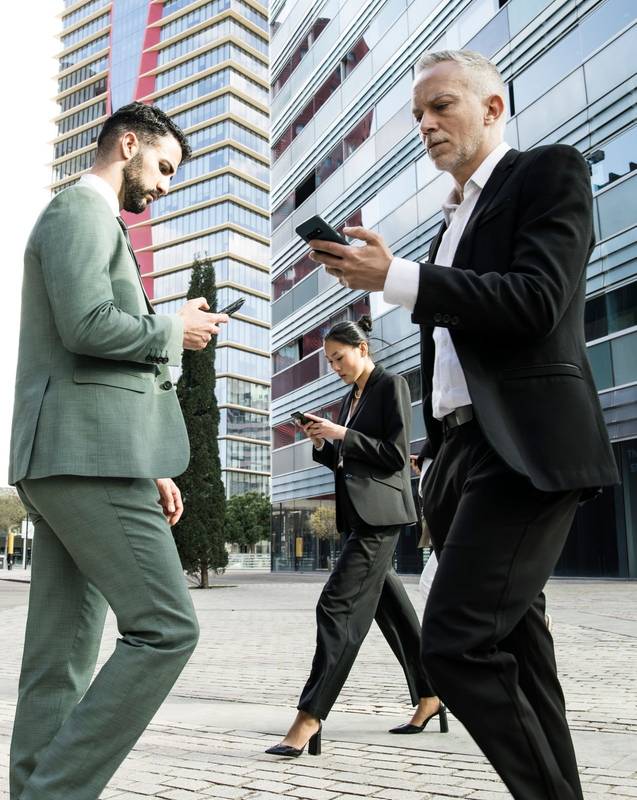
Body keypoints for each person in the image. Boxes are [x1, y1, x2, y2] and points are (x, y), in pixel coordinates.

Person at [303, 50, 618, 800]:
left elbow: (536, 300)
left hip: (526, 449)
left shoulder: (547, 172)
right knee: (520, 657)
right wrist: (433, 460)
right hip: (464, 458)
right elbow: (452, 359)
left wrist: (397, 280)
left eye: (441, 106)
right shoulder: (451, 221)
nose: (425, 123)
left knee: (453, 644)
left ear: (491, 108)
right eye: (417, 113)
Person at [8, 102, 228, 800]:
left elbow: (97, 355)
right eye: (163, 167)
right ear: (126, 143)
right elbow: (86, 325)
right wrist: (172, 329)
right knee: (166, 628)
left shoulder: (93, 219)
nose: (164, 183)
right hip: (83, 456)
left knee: (62, 654)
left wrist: (151, 462)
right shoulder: (79, 209)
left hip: (87, 456)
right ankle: (55, 792)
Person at [265, 317, 446, 758]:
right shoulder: (351, 397)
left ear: (361, 348)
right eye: (329, 361)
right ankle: (431, 695)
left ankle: (310, 715)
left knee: (336, 607)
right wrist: (324, 443)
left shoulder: (390, 385)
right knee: (397, 614)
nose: (335, 367)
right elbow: (349, 461)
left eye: (339, 358)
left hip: (380, 517)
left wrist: (342, 433)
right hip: (360, 516)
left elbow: (394, 456)